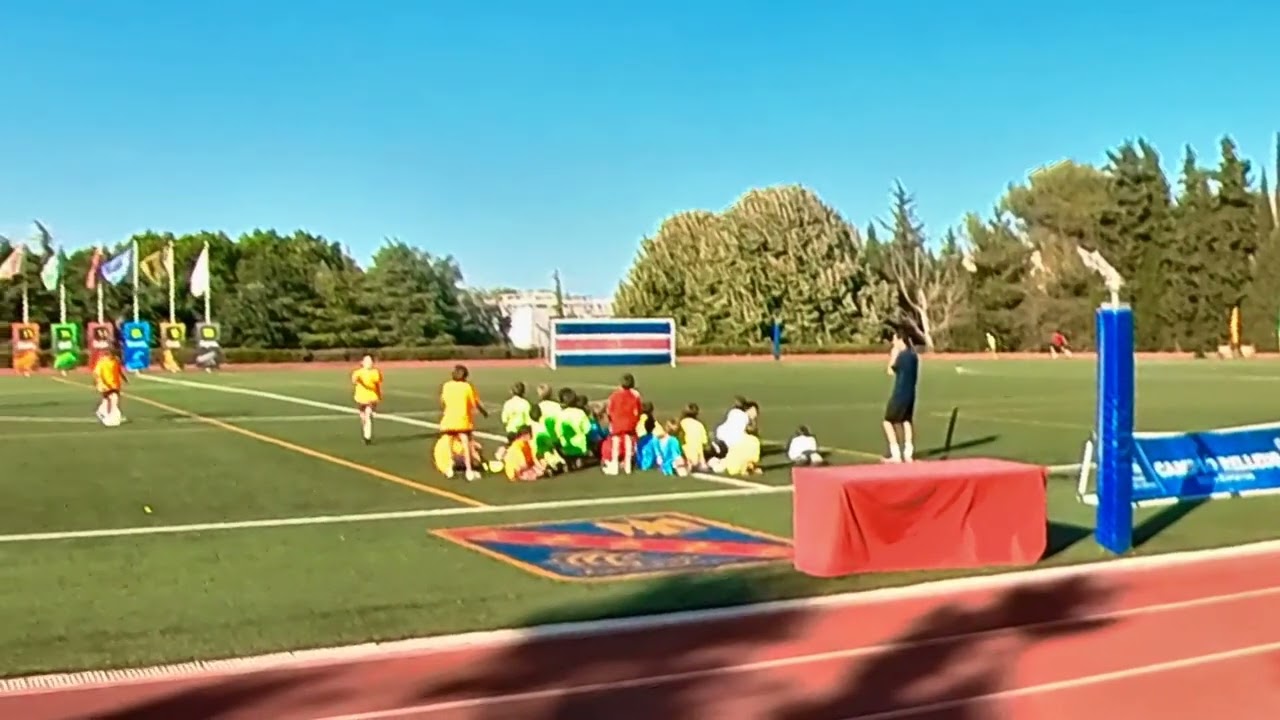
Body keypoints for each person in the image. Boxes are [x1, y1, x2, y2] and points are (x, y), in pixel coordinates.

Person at [439, 364, 488, 480]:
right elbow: (474, 402)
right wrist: (484, 412)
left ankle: (450, 468)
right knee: (466, 444)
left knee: (450, 444)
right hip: (463, 420)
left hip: (449, 419)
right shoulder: (467, 387)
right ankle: (469, 471)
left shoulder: (447, 386)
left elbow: (443, 400)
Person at [883, 330, 919, 462]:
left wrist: (893, 356)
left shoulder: (902, 356)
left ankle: (895, 453)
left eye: (894, 340)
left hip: (899, 394)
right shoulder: (914, 356)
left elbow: (890, 371)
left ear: (900, 340)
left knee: (887, 422)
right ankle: (908, 453)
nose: (893, 343)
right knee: (906, 421)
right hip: (911, 394)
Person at [605, 373, 642, 475]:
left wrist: (611, 421)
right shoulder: (634, 396)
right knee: (629, 445)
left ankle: (614, 467)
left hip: (617, 424)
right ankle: (628, 467)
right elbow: (638, 411)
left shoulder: (614, 396)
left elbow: (609, 410)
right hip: (630, 424)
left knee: (616, 446)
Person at [350, 355, 383, 445]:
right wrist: (356, 379)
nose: (369, 363)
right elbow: (353, 380)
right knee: (363, 417)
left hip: (372, 397)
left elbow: (377, 381)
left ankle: (367, 437)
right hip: (361, 397)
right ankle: (366, 432)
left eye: (370, 361)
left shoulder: (375, 372)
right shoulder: (358, 372)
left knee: (368, 415)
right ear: (363, 363)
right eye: (367, 361)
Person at [556, 391, 592, 467]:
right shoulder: (580, 412)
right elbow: (587, 429)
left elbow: (558, 431)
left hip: (566, 445)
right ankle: (579, 457)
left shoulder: (560, 414)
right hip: (580, 445)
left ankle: (570, 460)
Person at [92, 347, 127, 426]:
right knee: (113, 399)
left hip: (114, 384)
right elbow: (96, 373)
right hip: (105, 384)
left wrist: (124, 378)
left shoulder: (115, 361)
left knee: (108, 399)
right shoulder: (102, 362)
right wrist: (98, 382)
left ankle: (102, 411)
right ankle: (108, 415)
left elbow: (119, 371)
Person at [678, 403, 710, 471]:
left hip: (685, 455)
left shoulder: (681, 423)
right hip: (699, 458)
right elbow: (705, 443)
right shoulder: (700, 425)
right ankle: (701, 463)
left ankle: (687, 462)